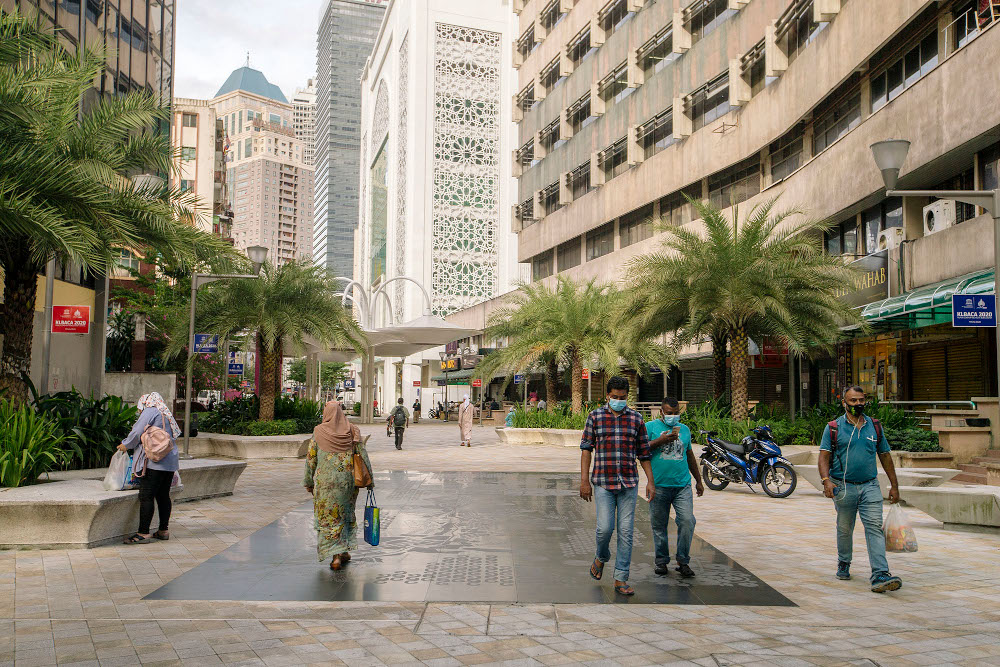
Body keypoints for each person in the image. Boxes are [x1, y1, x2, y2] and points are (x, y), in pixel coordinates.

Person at [819, 386, 903, 593]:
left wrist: (894, 485)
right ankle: (844, 562)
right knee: (845, 528)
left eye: (861, 400)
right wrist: (826, 480)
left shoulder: (874, 426)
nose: (858, 404)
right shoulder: (834, 428)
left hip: (870, 486)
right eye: (853, 401)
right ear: (844, 403)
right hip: (843, 487)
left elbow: (885, 455)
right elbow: (824, 456)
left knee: (874, 527)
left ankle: (880, 574)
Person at [580, 376, 655, 596]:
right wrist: (584, 480)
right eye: (615, 397)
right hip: (603, 482)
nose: (619, 401)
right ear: (607, 396)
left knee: (626, 531)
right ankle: (601, 556)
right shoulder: (595, 416)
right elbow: (586, 449)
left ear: (627, 396)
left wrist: (651, 481)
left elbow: (644, 453)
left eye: (622, 397)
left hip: (629, 483)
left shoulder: (636, 419)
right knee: (604, 529)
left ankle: (621, 578)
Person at [304, 401, 373, 571]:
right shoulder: (352, 430)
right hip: (346, 483)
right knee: (344, 515)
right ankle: (343, 552)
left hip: (325, 484)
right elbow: (363, 455)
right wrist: (370, 480)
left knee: (329, 518)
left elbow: (310, 459)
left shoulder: (318, 431)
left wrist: (308, 481)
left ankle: (336, 557)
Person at [645, 397, 704, 578]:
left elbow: (689, 455)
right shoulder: (650, 427)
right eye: (669, 413)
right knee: (659, 525)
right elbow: (641, 449)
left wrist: (698, 480)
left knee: (687, 521)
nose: (673, 416)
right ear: (661, 412)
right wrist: (660, 441)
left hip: (682, 486)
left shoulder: (684, 430)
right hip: (659, 485)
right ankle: (661, 561)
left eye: (676, 413)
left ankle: (683, 560)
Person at [118, 392, 180, 544]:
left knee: (146, 495)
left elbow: (137, 431)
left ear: (145, 402)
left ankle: (143, 533)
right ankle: (163, 530)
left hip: (155, 461)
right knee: (163, 496)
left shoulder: (151, 410)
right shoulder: (165, 412)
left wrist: (126, 444)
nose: (140, 410)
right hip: (169, 461)